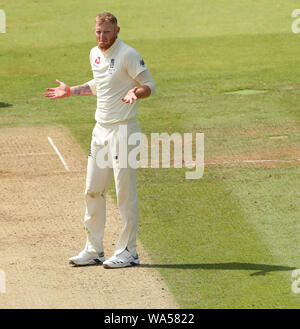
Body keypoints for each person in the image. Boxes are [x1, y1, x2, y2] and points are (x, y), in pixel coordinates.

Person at [44, 12, 155, 268]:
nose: (102, 37)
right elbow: (101, 84)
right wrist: (71, 91)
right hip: (100, 131)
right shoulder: (94, 53)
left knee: (124, 193)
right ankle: (94, 250)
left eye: (106, 32)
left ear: (117, 31)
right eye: (98, 32)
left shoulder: (128, 54)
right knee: (93, 191)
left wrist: (136, 92)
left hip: (124, 131)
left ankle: (129, 251)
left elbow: (150, 85)